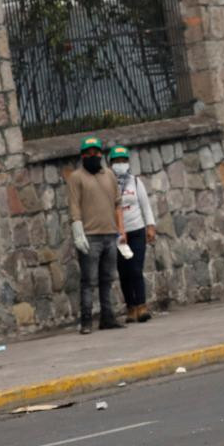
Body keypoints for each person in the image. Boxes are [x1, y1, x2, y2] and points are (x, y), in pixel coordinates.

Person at [66, 135, 126, 334]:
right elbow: (74, 206)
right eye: (89, 152)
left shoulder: (109, 175)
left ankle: (107, 317)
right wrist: (78, 232)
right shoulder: (76, 177)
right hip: (90, 236)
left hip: (110, 234)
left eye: (96, 152)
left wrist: (121, 231)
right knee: (88, 280)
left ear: (101, 153)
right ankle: (86, 320)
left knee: (107, 279)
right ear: (83, 155)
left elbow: (118, 204)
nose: (93, 155)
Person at [109, 145, 156, 323]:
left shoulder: (135, 182)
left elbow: (145, 205)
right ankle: (130, 307)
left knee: (136, 268)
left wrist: (150, 226)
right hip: (119, 235)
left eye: (123, 161)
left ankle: (142, 305)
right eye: (116, 161)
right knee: (124, 271)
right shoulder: (109, 183)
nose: (120, 164)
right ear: (110, 163)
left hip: (136, 231)